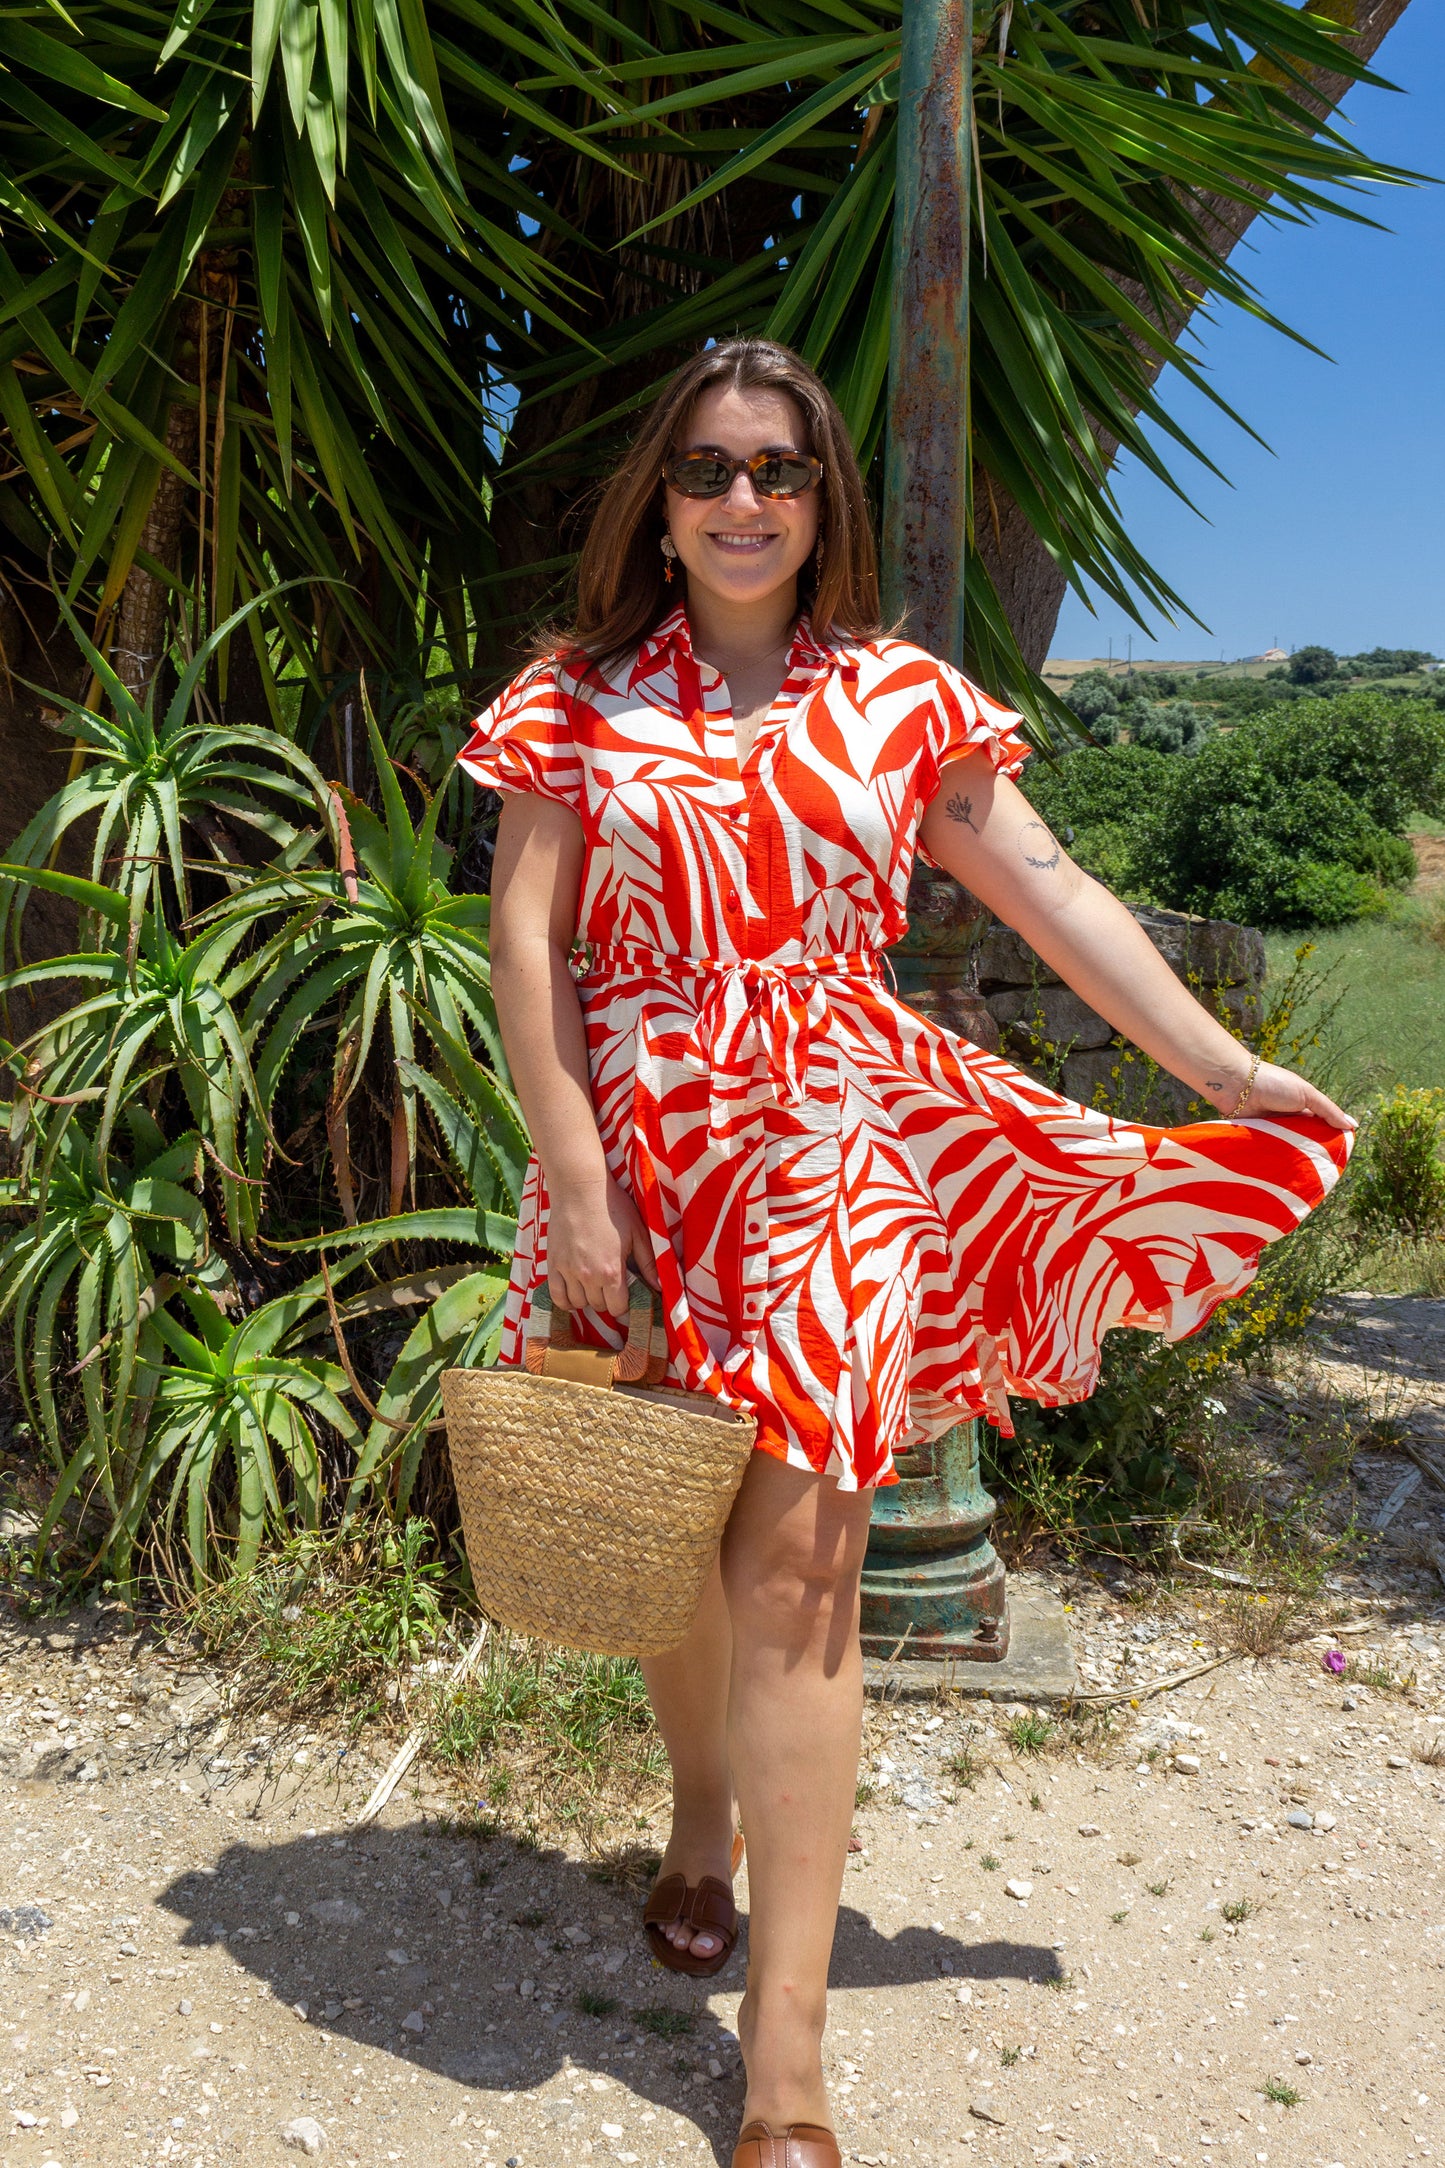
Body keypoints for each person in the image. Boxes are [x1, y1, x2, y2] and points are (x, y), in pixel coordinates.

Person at [458, 337, 1353, 2168]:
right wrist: (577, 1175)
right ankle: (697, 1816)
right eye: (707, 468)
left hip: (831, 1161)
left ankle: (780, 2047)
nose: (739, 502)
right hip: (635, 1158)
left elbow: (1060, 893)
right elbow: (528, 945)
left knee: (799, 1571)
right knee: (672, 1525)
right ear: (661, 493)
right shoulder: (569, 702)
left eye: (777, 472)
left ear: (824, 500)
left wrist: (1224, 1068)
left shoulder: (903, 703)